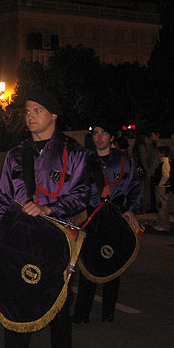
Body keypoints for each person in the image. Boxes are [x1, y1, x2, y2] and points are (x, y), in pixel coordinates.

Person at [0, 89, 89, 348]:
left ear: (53, 115)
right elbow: (3, 201)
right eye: (27, 111)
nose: (30, 117)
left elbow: (82, 196)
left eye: (37, 111)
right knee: (14, 306)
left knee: (58, 315)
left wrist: (48, 208)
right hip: (19, 240)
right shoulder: (15, 154)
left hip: (57, 241)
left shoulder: (73, 152)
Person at [71, 119, 141, 325]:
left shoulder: (124, 160)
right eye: (96, 134)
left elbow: (135, 186)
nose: (99, 138)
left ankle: (108, 312)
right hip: (92, 218)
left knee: (113, 262)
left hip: (115, 217)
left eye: (104, 134)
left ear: (111, 137)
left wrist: (131, 210)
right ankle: (81, 314)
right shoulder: (85, 161)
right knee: (87, 265)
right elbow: (77, 191)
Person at [153, 146, 171, 232]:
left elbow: (166, 175)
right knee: (160, 205)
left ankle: (164, 224)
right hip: (161, 186)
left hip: (163, 187)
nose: (157, 155)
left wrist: (161, 184)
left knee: (163, 205)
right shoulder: (162, 162)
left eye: (158, 153)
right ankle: (160, 223)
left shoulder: (165, 163)